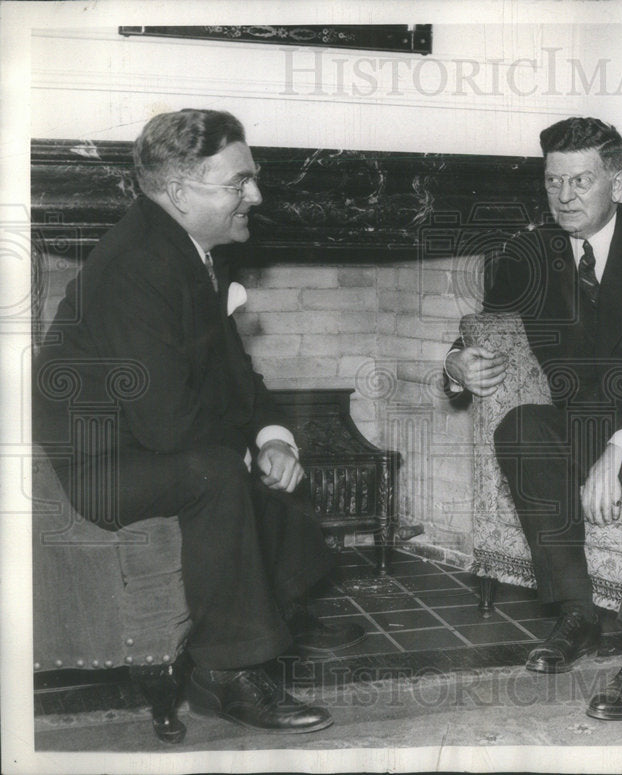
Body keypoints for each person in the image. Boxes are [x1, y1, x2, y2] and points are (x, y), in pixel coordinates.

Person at [33, 109, 364, 734]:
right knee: (216, 470)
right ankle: (229, 671)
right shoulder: (137, 265)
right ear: (180, 192)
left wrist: (272, 438)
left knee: (264, 466)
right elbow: (167, 427)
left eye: (253, 179)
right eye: (239, 183)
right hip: (102, 467)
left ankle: (285, 609)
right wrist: (242, 458)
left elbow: (238, 376)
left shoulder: (193, 250)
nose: (256, 195)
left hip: (147, 442)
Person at [445, 117, 622, 719]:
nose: (565, 197)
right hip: (589, 419)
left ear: (617, 182)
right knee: (521, 427)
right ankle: (576, 613)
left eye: (581, 181)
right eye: (553, 182)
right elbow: (484, 328)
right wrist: (455, 363)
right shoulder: (530, 252)